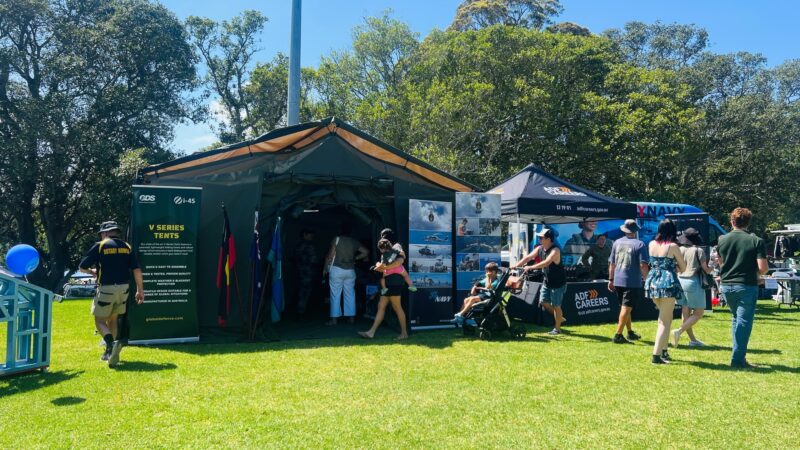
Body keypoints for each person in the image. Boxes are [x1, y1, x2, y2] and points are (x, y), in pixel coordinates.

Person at [78, 220, 144, 368]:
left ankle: (110, 344)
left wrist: (92, 272)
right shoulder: (127, 247)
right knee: (113, 319)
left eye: (101, 233)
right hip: (124, 289)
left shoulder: (101, 245)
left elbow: (82, 267)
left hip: (106, 289)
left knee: (99, 320)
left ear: (106, 233)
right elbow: (137, 270)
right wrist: (140, 290)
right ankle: (110, 353)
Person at [717, 207, 768, 369]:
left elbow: (721, 262)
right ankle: (737, 359)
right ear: (748, 222)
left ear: (732, 221)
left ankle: (738, 355)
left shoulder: (722, 239)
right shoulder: (756, 241)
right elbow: (763, 268)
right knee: (744, 322)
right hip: (746, 285)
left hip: (726, 285)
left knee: (736, 320)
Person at [644, 219, 686, 364]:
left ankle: (664, 351)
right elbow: (683, 267)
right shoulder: (673, 246)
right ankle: (656, 355)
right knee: (664, 320)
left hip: (653, 282)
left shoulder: (651, 244)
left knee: (664, 318)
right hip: (667, 283)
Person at [514, 228, 567, 335]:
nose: (539, 239)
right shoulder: (540, 248)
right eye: (539, 237)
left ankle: (557, 329)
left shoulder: (555, 250)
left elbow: (546, 262)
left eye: (541, 237)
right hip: (547, 281)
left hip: (558, 283)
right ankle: (560, 318)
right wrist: (516, 265)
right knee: (543, 302)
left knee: (556, 306)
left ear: (549, 239)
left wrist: (530, 267)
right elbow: (528, 257)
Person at [359, 228, 410, 340]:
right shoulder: (389, 247)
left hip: (395, 281)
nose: (382, 238)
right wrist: (379, 267)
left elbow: (400, 261)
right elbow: (386, 263)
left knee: (397, 307)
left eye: (383, 236)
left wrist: (384, 267)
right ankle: (371, 332)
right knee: (381, 306)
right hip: (388, 282)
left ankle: (404, 334)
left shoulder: (396, 246)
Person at [608, 219, 649, 344]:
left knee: (625, 307)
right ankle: (618, 334)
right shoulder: (640, 244)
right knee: (626, 308)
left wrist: (611, 279)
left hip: (618, 280)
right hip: (632, 281)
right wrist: (647, 279)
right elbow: (643, 265)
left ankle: (630, 332)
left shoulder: (616, 243)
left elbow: (612, 263)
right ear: (636, 230)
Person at [672, 228, 714, 348]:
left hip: (680, 281)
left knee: (685, 311)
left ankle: (693, 340)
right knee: (699, 312)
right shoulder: (698, 250)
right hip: (693, 282)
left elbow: (677, 268)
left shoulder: (679, 249)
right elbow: (706, 269)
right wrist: (713, 265)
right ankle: (678, 331)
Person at [323, 222, 368, 326]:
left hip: (337, 270)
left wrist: (325, 267)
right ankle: (351, 318)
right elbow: (366, 252)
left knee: (335, 295)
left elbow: (330, 256)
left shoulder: (336, 239)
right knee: (350, 294)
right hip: (350, 270)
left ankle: (334, 320)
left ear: (340, 230)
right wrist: (355, 258)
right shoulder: (354, 241)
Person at [293, 228, 318, 317]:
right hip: (307, 273)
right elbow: (313, 260)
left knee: (300, 291)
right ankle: (301, 312)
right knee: (305, 292)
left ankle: (299, 311)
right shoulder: (309, 246)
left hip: (299, 272)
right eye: (310, 235)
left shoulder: (298, 246)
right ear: (304, 235)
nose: (312, 237)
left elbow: (295, 258)